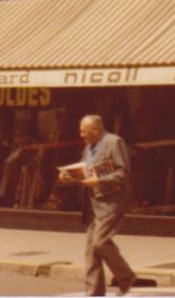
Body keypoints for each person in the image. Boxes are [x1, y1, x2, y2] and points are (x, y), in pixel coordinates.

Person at [59, 115, 136, 296]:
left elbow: (123, 173)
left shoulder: (114, 142)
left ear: (95, 130)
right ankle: (94, 291)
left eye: (83, 131)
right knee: (91, 250)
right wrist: (67, 177)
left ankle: (126, 276)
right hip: (93, 205)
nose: (81, 135)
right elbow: (85, 173)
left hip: (112, 203)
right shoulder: (88, 147)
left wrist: (99, 181)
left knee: (101, 242)